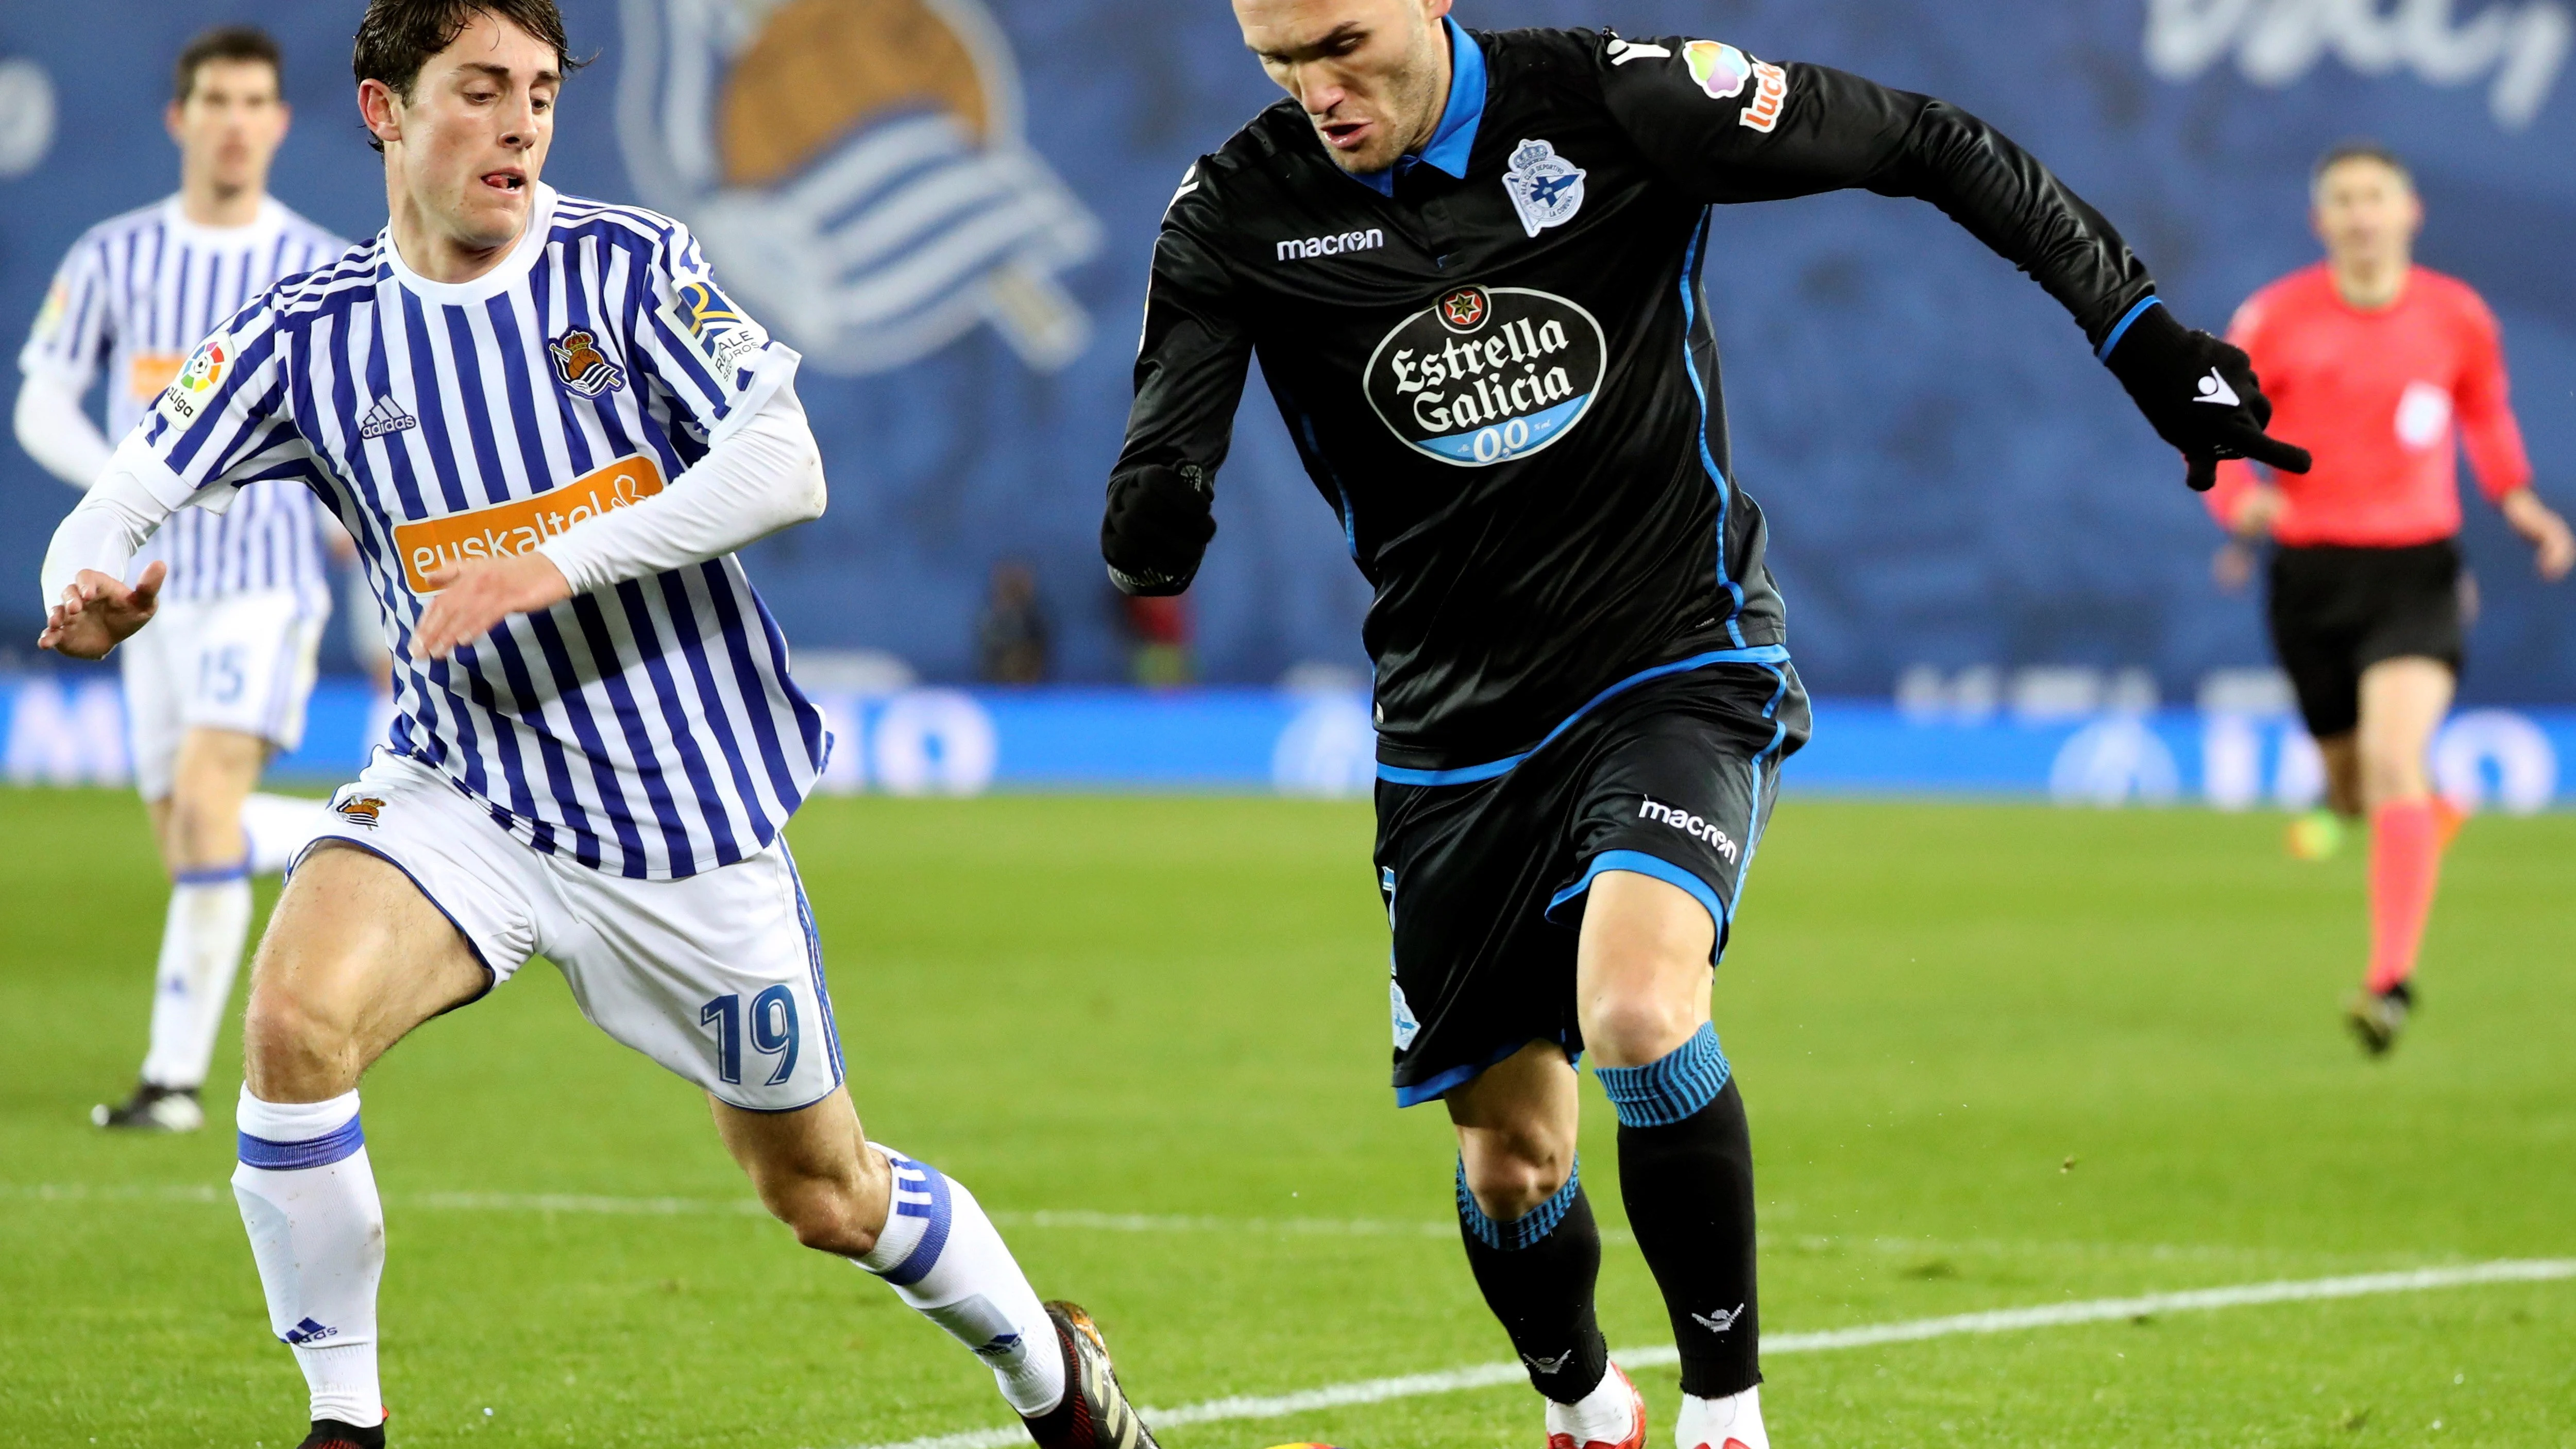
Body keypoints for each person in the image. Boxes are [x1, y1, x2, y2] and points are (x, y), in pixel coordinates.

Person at [1097, 3, 2307, 1446]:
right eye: (1279, 62)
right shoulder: (1240, 206)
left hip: (1673, 653)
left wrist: (2141, 335)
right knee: (1510, 1158)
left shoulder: (1619, 102)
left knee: (1637, 1009)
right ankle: (1585, 1402)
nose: (1317, 90)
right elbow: (1166, 443)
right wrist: (1155, 511)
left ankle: (1725, 1412)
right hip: (1452, 726)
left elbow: (1924, 141)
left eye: (1341, 43)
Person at [36, 5, 1159, 1447]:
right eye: (481, 91)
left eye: (543, 94)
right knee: (295, 1019)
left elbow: (785, 458)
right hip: (466, 785)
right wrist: (90, 586)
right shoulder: (309, 334)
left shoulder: (628, 267)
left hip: (681, 820)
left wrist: (562, 559)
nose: (519, 124)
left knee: (823, 1192)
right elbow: (120, 495)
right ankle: (344, 1419)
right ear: (383, 110)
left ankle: (1053, 1377)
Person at [14, 25, 348, 1134]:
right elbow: (43, 401)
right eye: (217, 100)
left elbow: (353, 418)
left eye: (257, 100)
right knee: (190, 838)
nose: (237, 120)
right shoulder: (114, 257)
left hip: (265, 580)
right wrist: (121, 485)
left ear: (281, 122)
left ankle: (172, 1082)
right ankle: (374, 835)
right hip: (142, 604)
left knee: (206, 809)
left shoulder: (312, 267)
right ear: (181, 117)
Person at [2207, 141, 2571, 1056]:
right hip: (2310, 577)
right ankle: (2427, 815)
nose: (2363, 215)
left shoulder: (2458, 316)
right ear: (2321, 221)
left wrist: (2519, 501)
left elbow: (2484, 409)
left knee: (2394, 755)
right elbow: (2209, 427)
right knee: (2354, 787)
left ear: (2410, 212)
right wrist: (2237, 504)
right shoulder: (2277, 318)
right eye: (2345, 200)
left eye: (2378, 198)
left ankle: (2389, 983)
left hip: (2416, 570)